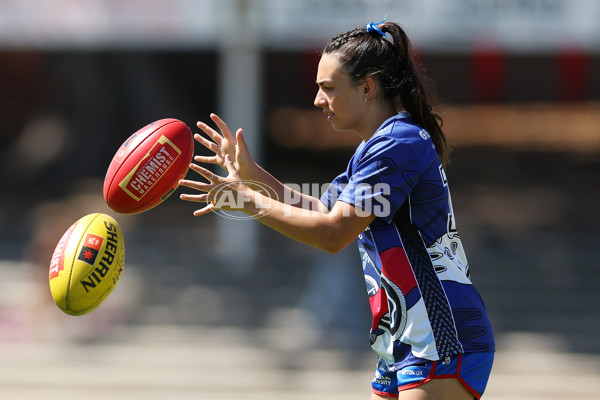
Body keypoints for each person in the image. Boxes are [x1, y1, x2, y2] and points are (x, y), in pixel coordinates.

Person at [180, 20, 495, 400]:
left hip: (441, 334)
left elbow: (332, 234)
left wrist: (247, 200)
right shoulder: (375, 149)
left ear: (367, 88)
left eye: (328, 88)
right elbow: (318, 210)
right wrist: (250, 176)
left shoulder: (398, 143)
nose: (317, 100)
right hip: (405, 338)